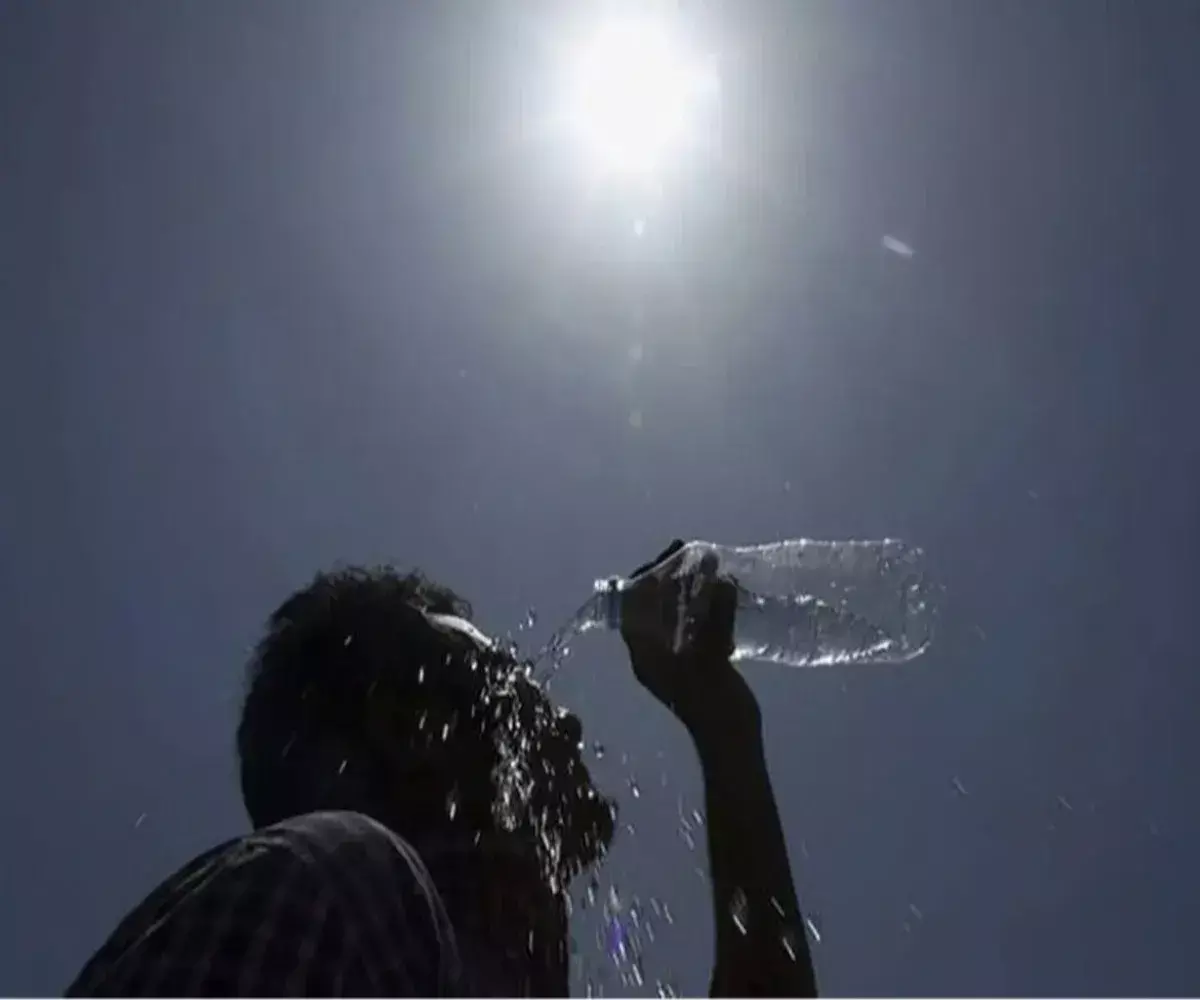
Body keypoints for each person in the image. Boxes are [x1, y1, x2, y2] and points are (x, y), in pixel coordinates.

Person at [67, 541, 817, 997]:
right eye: (507, 682)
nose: (565, 722)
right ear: (410, 727)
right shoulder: (339, 886)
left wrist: (725, 726)